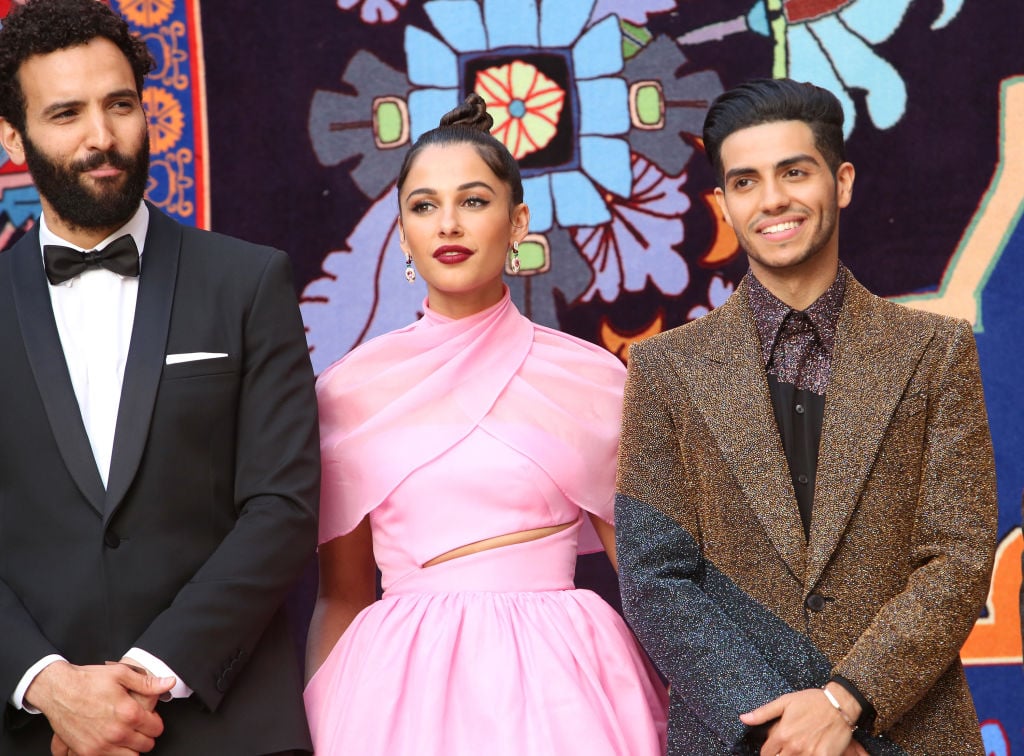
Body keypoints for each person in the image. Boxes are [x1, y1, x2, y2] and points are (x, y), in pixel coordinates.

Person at [614, 78, 997, 756]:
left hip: (910, 731)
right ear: (724, 204)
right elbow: (653, 577)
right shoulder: (664, 368)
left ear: (841, 181)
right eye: (745, 181)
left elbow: (958, 557)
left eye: (794, 172)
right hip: (741, 739)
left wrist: (844, 703)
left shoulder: (936, 351)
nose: (773, 200)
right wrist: (780, 728)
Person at [304, 93, 668, 754]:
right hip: (397, 697)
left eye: (473, 201)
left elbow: (651, 582)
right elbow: (342, 596)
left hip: (568, 689)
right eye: (423, 206)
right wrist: (326, 726)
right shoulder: (349, 391)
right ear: (403, 231)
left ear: (519, 220)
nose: (448, 224)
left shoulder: (596, 380)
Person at [0, 1, 319, 753]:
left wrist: (145, 676)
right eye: (66, 113)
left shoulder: (249, 281)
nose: (101, 137)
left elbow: (284, 505)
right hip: (32, 731)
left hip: (226, 722)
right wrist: (50, 684)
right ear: (12, 135)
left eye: (120, 105)